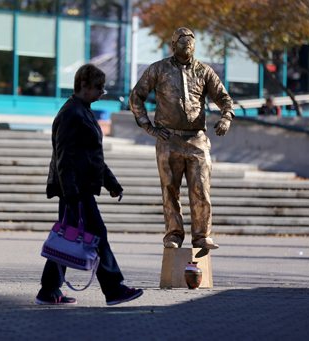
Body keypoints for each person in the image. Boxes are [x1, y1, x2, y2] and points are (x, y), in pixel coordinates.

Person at [37, 64, 143, 306]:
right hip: (75, 190)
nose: (101, 93)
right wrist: (72, 194)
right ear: (84, 86)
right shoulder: (72, 113)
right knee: (97, 236)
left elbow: (92, 156)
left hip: (77, 188)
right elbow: (63, 157)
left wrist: (111, 183)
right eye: (99, 88)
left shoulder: (82, 110)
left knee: (67, 238)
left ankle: (49, 290)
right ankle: (114, 289)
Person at [129, 27, 235, 251]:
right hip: (168, 139)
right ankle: (174, 234)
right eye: (182, 44)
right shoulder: (158, 69)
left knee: (202, 190)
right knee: (170, 190)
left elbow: (224, 98)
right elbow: (136, 96)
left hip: (197, 139)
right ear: (173, 45)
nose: (187, 48)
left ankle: (201, 236)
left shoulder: (204, 71)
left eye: (190, 44)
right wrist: (148, 127)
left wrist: (226, 117)